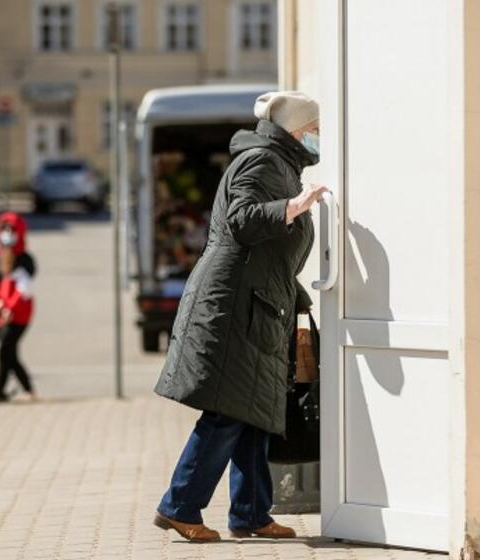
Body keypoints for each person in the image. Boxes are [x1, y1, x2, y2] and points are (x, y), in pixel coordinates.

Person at [152, 92, 328, 542]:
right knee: (228, 412)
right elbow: (243, 219)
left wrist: (297, 298)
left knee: (256, 413)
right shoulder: (262, 162)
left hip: (257, 303)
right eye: (315, 130)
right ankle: (180, 506)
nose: (319, 138)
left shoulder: (280, 163)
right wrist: (294, 206)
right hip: (232, 307)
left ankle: (251, 513)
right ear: (297, 131)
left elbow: (272, 254)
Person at [0, 212, 36, 401]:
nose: (7, 234)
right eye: (4, 230)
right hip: (0, 313)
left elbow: (24, 289)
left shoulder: (25, 260)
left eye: (11, 230)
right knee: (8, 352)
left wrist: (9, 309)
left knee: (6, 349)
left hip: (19, 316)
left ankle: (4, 389)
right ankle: (18, 390)